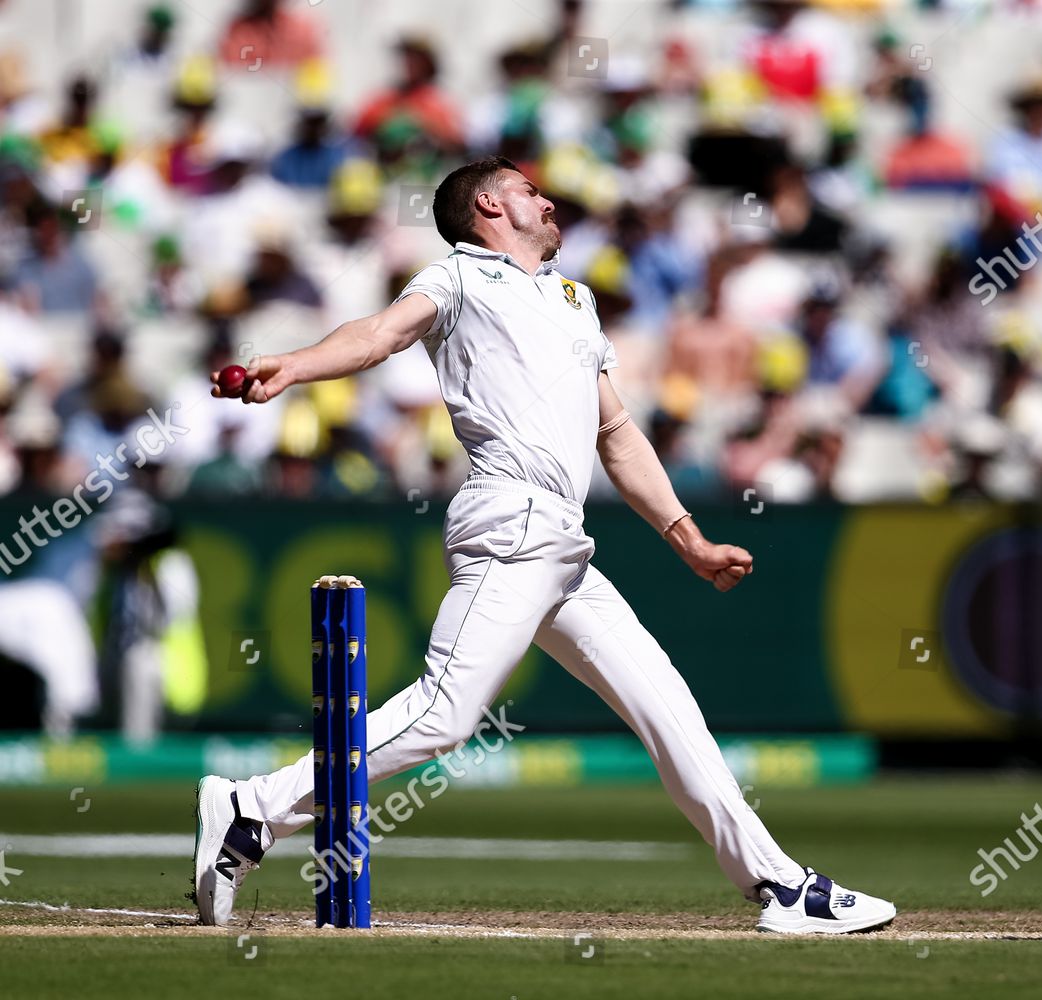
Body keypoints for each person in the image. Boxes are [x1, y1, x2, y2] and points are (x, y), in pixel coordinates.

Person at [191, 154, 897, 935]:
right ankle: (251, 806)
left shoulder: (574, 299)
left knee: (669, 709)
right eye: (531, 190)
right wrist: (294, 366)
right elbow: (380, 335)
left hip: (562, 542)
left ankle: (781, 886)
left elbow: (616, 432)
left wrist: (687, 539)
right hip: (510, 521)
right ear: (490, 205)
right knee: (445, 715)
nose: (550, 199)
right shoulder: (457, 277)